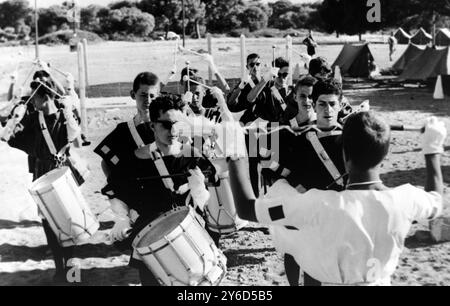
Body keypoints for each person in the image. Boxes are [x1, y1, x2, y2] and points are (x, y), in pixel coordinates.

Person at [227, 111, 446, 286]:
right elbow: (436, 200)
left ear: (345, 156)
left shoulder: (319, 205)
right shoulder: (405, 200)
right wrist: (432, 149)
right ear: (384, 156)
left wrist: (234, 148)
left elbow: (247, 209)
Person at [102, 94, 217, 286]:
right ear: (152, 125)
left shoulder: (192, 155)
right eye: (165, 124)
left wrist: (200, 191)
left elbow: (206, 199)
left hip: (189, 234)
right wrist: (121, 217)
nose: (172, 131)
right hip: (150, 236)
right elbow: (118, 191)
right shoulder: (136, 160)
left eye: (178, 124)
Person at [259, 78, 347, 286]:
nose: (328, 109)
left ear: (340, 105)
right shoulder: (299, 137)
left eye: (333, 104)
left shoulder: (349, 139)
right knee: (299, 255)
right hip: (307, 209)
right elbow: (277, 167)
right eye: (322, 104)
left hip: (337, 210)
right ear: (314, 105)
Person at [1, 78, 81, 283]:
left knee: (70, 226)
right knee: (49, 224)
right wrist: (13, 117)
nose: (32, 103)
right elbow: (9, 136)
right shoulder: (34, 119)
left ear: (45, 97)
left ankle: (73, 275)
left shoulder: (66, 116)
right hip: (43, 173)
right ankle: (60, 271)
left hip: (62, 173)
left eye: (35, 98)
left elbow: (75, 134)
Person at [247, 57, 293, 123]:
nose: (282, 78)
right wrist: (266, 77)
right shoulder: (266, 90)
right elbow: (250, 98)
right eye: (279, 75)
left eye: (285, 75)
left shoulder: (292, 91)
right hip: (269, 129)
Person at [227, 53, 263, 125]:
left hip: (263, 122)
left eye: (257, 64)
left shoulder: (266, 82)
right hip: (247, 123)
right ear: (247, 67)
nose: (255, 67)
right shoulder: (244, 83)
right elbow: (230, 102)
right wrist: (241, 86)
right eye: (252, 65)